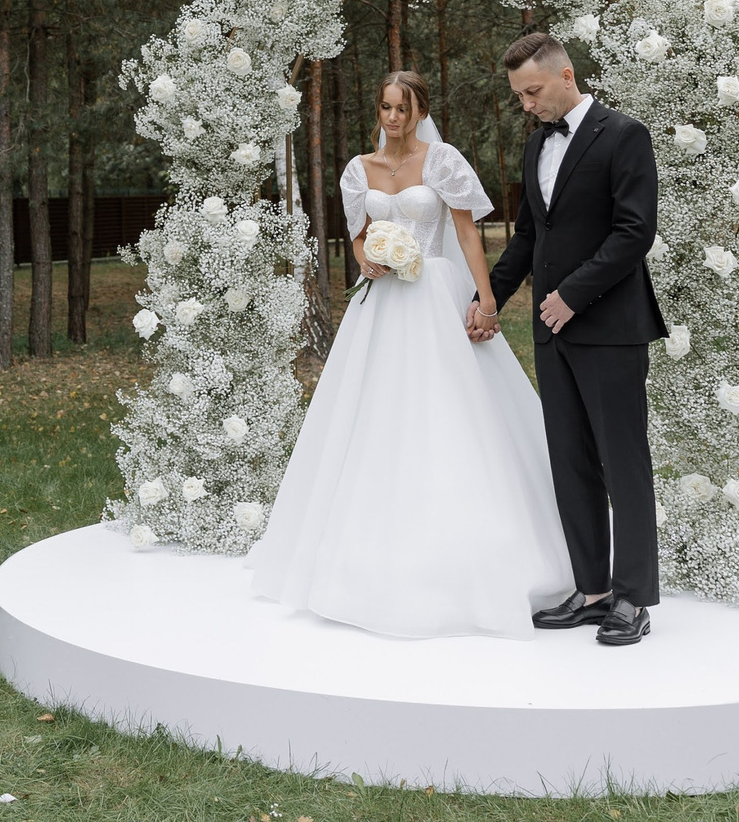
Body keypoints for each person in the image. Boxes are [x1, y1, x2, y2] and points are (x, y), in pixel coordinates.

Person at [247, 72, 572, 639]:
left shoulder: (442, 160)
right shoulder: (359, 169)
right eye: (385, 107)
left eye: (402, 108)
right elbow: (358, 233)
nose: (392, 118)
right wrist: (365, 257)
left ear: (419, 110)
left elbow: (470, 235)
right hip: (381, 305)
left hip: (434, 297)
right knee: (371, 416)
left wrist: (487, 298)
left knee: (450, 413)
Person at [485, 33, 666, 648]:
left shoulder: (624, 136)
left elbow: (634, 232)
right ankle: (591, 593)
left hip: (610, 328)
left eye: (532, 92)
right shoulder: (538, 143)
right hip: (549, 331)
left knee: (623, 464)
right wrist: (488, 298)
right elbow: (529, 238)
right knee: (569, 463)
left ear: (566, 74)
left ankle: (633, 598)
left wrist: (572, 294)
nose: (527, 105)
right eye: (519, 96)